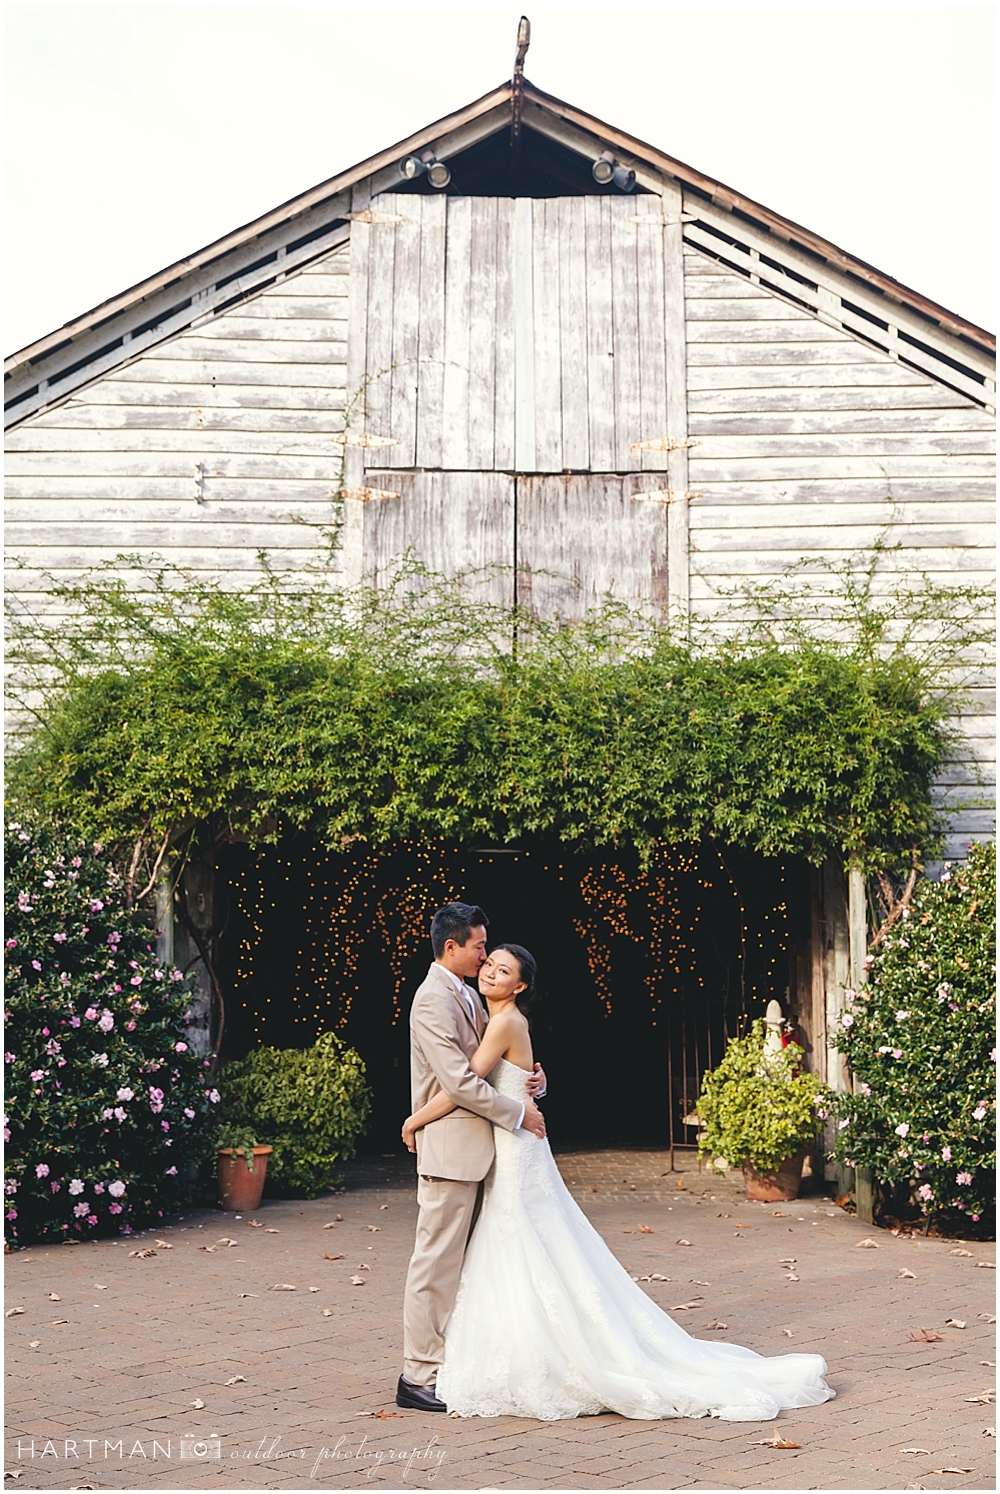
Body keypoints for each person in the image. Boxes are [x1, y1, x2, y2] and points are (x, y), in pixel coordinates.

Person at [403, 940, 837, 1422]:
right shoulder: (488, 1013)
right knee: (528, 1245)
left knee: (524, 1242)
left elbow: (468, 1083)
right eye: (488, 962)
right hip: (509, 1144)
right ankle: (522, 1344)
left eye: (502, 969)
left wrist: (413, 1120)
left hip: (516, 1145)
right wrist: (535, 1080)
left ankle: (549, 1353)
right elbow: (504, 1074)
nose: (489, 971)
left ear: (520, 985)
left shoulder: (504, 1020)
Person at [396, 902, 547, 1412]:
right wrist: (516, 1112)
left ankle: (451, 1361)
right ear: (452, 946)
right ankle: (417, 1375)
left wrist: (533, 1083)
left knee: (468, 1264)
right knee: (434, 1265)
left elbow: (496, 1064)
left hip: (483, 1150)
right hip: (450, 1149)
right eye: (480, 947)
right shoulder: (431, 1000)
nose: (486, 957)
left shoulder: (471, 994)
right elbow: (459, 1082)